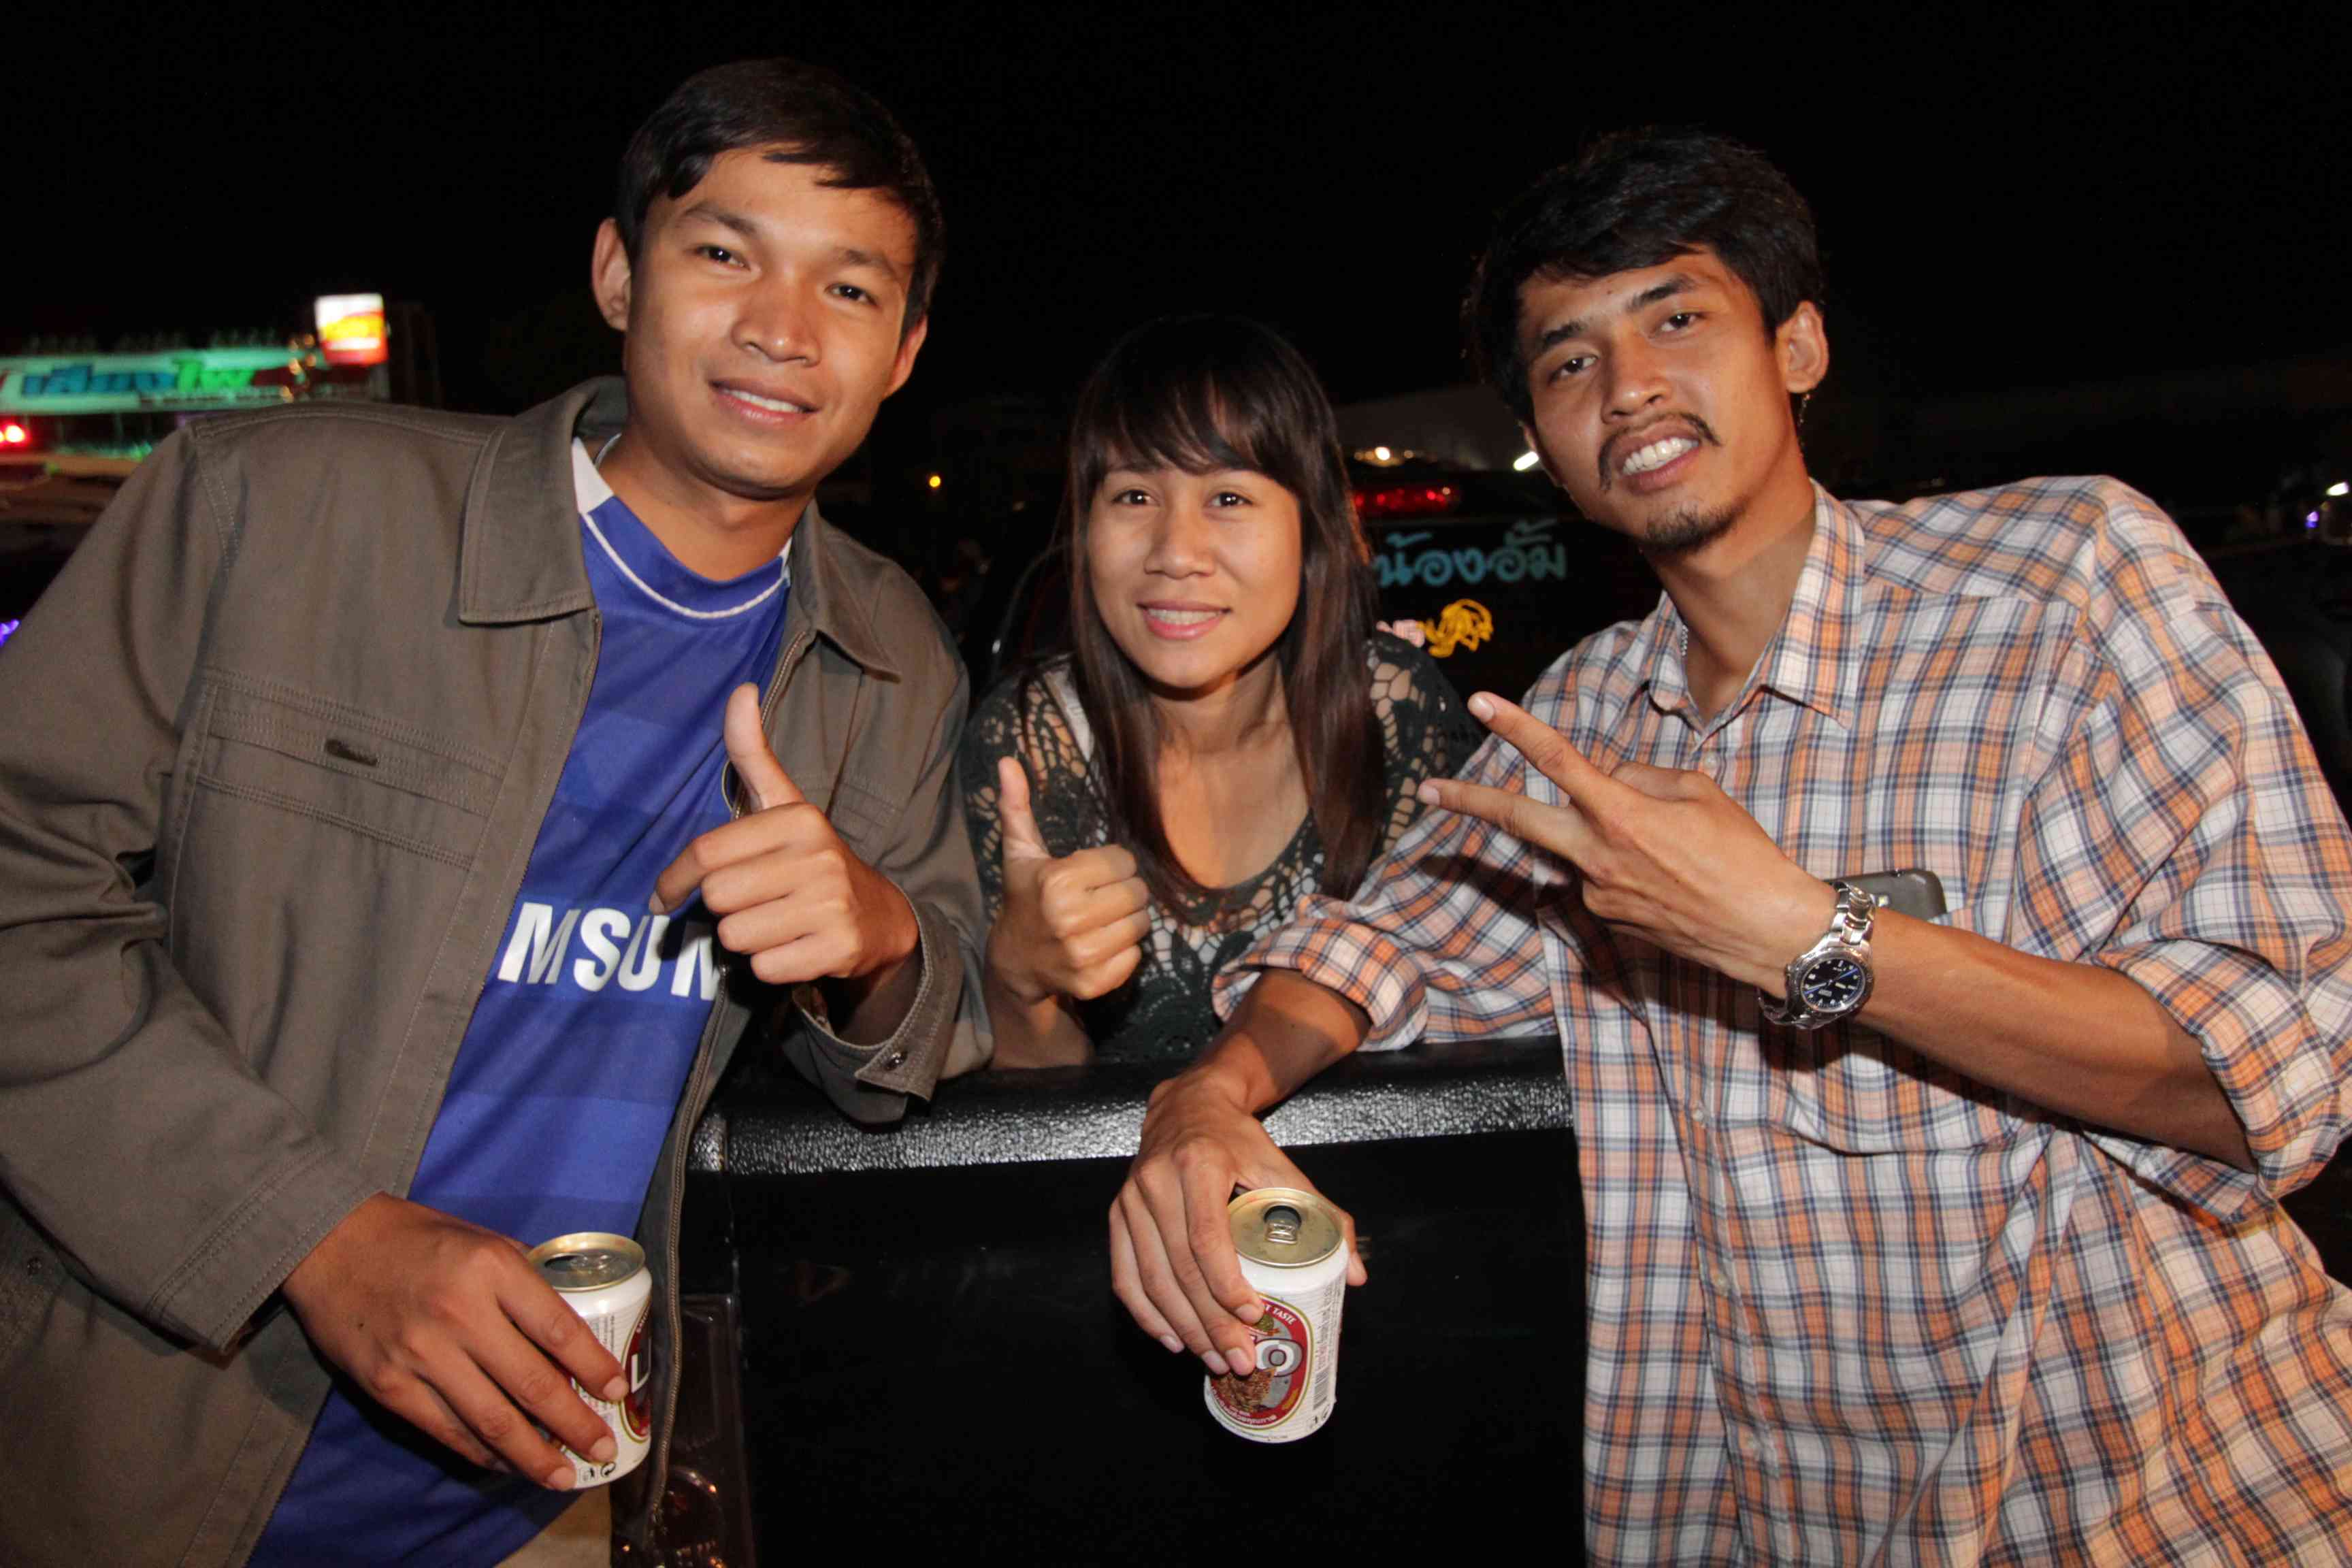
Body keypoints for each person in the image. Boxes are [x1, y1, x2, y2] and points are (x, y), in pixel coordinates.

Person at [1109, 131, 2352, 1561]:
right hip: (1765, 1518)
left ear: (1799, 345)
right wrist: (1203, 1102)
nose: (1627, 384)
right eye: (1568, 360)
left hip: (2162, 1506)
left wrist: (1816, 940)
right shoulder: (1583, 716)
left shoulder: (2062, 579)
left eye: (1678, 317)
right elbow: (1382, 943)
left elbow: (2287, 1067)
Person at [0, 59, 986, 1568]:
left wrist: (880, 939)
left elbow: (922, 1030)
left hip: (551, 1498)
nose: (783, 329)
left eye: (850, 290)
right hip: (134, 1454)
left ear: (903, 351)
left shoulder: (891, 653)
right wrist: (311, 1233)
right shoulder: (280, 510)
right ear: (617, 273)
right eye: (726, 253)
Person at [958, 316, 1475, 1065]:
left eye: (1229, 498)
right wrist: (1017, 981)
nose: (1176, 553)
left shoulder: (1392, 711)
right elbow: (1033, 1108)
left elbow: (1461, 1019)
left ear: (1311, 529)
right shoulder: (1032, 745)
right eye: (1134, 496)